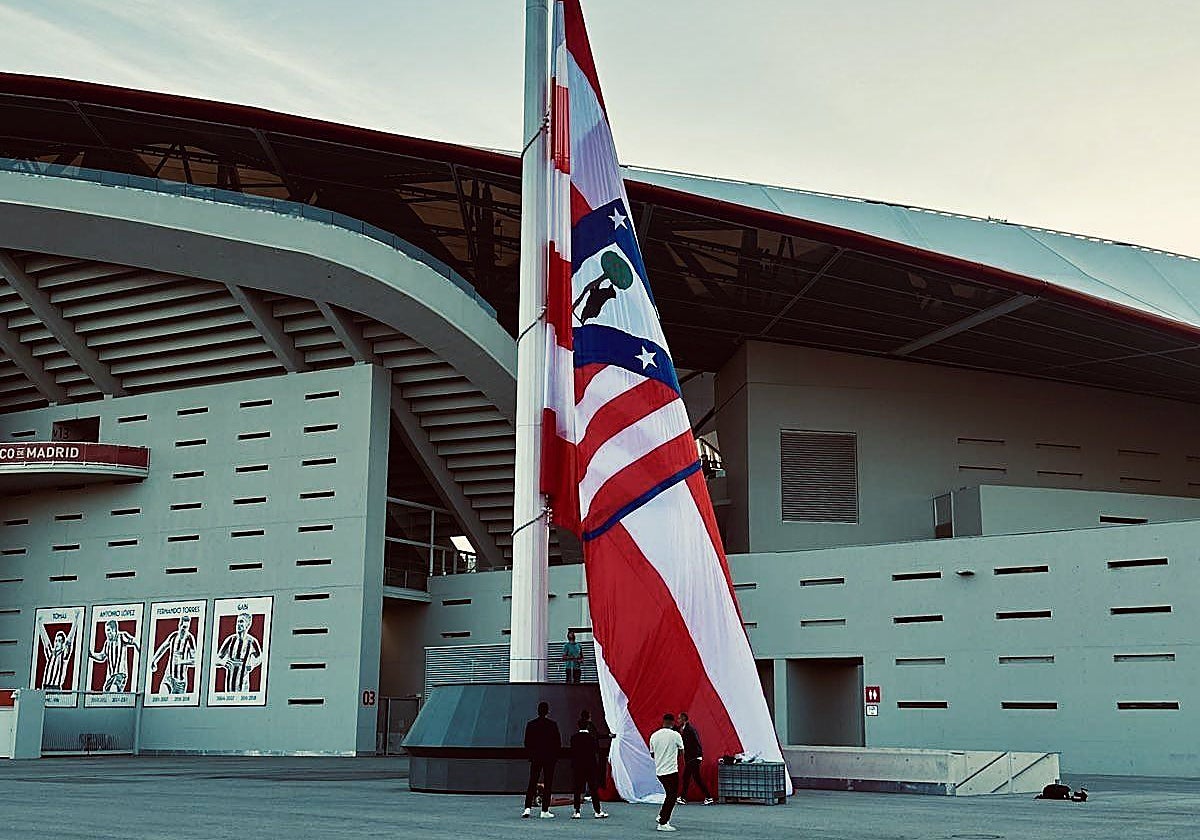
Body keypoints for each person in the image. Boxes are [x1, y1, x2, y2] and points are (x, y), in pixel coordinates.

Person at [522, 701, 562, 819]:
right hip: (549, 758)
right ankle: (544, 810)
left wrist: (532, 754)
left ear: (538, 711)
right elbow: (557, 743)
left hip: (536, 757)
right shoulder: (552, 725)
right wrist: (555, 756)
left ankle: (527, 808)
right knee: (548, 783)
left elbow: (527, 742)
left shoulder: (531, 724)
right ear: (547, 711)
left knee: (532, 782)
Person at [569, 711, 609, 819]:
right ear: (587, 725)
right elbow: (596, 750)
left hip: (578, 766)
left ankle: (577, 811)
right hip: (590, 766)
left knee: (577, 790)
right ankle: (597, 811)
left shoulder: (574, 738)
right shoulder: (591, 739)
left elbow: (572, 752)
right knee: (593, 789)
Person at [649, 713, 685, 832]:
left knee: (669, 795)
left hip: (660, 771)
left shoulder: (654, 736)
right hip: (671, 770)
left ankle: (661, 815)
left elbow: (652, 754)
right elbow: (681, 752)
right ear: (673, 722)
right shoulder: (676, 735)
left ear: (663, 721)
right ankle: (663, 822)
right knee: (672, 796)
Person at [214, 612, 262, 693]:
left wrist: (252, 665)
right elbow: (217, 658)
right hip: (229, 685)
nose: (238, 624)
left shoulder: (252, 641)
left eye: (241, 621)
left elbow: (260, 658)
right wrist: (223, 662)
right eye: (238, 622)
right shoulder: (230, 639)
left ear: (248, 625)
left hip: (243, 683)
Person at [88, 619, 140, 692]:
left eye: (109, 630)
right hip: (111, 676)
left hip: (120, 674)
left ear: (114, 630)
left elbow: (135, 642)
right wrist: (92, 655)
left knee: (113, 689)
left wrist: (142, 654)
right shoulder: (107, 643)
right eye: (106, 631)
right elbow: (102, 657)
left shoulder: (122, 636)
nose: (107, 633)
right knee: (106, 692)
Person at [150, 615, 197, 695]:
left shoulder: (190, 639)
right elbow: (163, 647)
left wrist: (181, 662)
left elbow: (195, 661)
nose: (184, 630)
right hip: (169, 677)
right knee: (162, 696)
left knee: (175, 706)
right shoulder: (173, 636)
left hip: (180, 682)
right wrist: (154, 660)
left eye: (187, 627)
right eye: (183, 627)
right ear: (179, 625)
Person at [677, 712, 714, 805]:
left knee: (689, 777)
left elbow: (692, 744)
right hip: (693, 757)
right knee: (692, 777)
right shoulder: (686, 729)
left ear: (684, 719)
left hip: (693, 758)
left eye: (679, 719)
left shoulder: (689, 729)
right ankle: (684, 797)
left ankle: (707, 797)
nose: (678, 720)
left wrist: (694, 755)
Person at [38, 623, 77, 691]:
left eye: (59, 641)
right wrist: (39, 623)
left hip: (55, 688)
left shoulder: (64, 655)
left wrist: (75, 621)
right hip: (45, 687)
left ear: (62, 644)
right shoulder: (51, 654)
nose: (56, 643)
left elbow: (69, 640)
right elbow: (45, 640)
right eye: (55, 641)